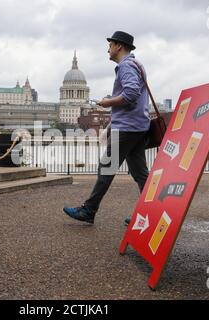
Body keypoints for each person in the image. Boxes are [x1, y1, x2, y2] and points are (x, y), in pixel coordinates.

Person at [63, 31, 150, 225]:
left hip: (127, 128)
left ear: (119, 46)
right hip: (138, 126)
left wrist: (108, 102)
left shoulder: (126, 66)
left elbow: (131, 94)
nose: (108, 49)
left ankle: (89, 210)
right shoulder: (137, 64)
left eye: (110, 45)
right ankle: (150, 213)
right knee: (140, 173)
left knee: (106, 167)